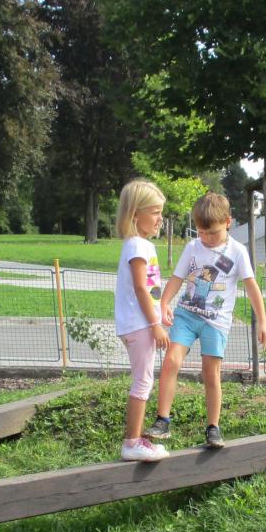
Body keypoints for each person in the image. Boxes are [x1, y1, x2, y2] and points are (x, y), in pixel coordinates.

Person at [149, 192, 266, 449]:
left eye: (212, 233)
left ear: (228, 222)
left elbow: (251, 287)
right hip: (186, 314)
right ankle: (162, 421)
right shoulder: (193, 247)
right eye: (201, 232)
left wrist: (263, 321)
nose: (206, 238)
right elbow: (177, 278)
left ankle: (213, 427)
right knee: (171, 361)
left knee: (210, 372)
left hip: (216, 322)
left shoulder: (237, 252)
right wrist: (164, 303)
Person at [114, 178, 171, 463]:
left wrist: (162, 311)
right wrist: (155, 324)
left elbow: (150, 288)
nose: (160, 219)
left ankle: (136, 440)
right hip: (140, 325)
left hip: (141, 322)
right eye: (155, 212)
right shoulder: (138, 246)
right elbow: (140, 288)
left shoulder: (141, 245)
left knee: (144, 380)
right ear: (136, 214)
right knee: (143, 382)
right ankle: (132, 443)